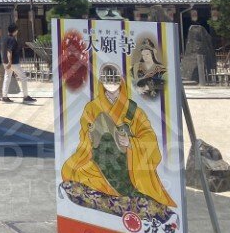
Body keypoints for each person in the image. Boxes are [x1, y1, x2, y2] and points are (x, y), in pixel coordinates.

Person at [61, 63, 175, 207]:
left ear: (120, 81)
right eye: (106, 79)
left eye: (113, 78)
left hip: (128, 166)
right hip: (98, 162)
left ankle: (124, 192)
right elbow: (84, 138)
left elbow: (149, 139)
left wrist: (130, 143)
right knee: (74, 171)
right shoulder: (92, 107)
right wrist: (90, 138)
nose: (110, 83)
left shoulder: (134, 110)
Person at [1, 24, 35, 103]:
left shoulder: (5, 39)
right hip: (13, 62)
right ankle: (26, 96)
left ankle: (4, 96)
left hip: (5, 61)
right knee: (23, 78)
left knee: (7, 78)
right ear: (15, 30)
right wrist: (10, 62)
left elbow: (5, 50)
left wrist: (6, 61)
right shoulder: (12, 39)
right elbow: (9, 51)